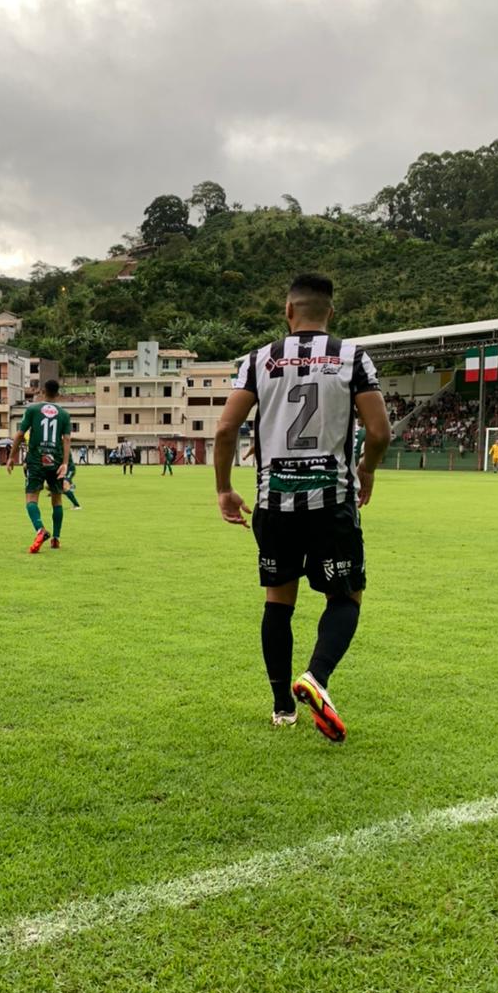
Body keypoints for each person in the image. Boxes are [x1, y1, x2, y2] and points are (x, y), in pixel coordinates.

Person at [214, 273, 391, 741]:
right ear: (330, 313)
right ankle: (315, 676)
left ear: (288, 311)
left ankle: (281, 709)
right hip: (330, 503)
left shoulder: (258, 360)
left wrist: (224, 489)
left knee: (278, 601)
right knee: (345, 596)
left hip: (273, 504)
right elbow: (378, 432)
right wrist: (367, 470)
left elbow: (224, 430)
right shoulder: (353, 357)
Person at [7, 378, 71, 552]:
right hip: (55, 460)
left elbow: (20, 435)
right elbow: (66, 439)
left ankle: (40, 529)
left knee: (31, 498)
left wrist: (12, 457)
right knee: (56, 499)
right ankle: (56, 538)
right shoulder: (64, 415)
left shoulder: (33, 409)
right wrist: (65, 463)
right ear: (58, 394)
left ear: (43, 391)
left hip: (36, 459)